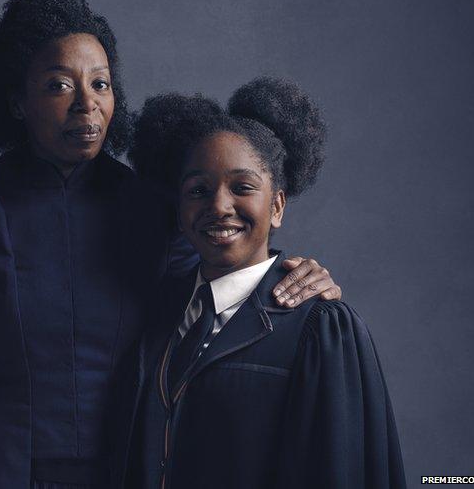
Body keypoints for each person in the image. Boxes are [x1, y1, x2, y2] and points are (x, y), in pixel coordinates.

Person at [0, 0, 342, 489]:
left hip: (131, 465)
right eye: (58, 85)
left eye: (100, 84)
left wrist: (300, 285)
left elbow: (221, 298)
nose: (86, 106)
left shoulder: (157, 209)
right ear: (16, 101)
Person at [115, 78, 406, 488]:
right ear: (179, 210)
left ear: (277, 205)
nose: (219, 206)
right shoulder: (158, 315)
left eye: (242, 187)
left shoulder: (319, 328)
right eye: (198, 190)